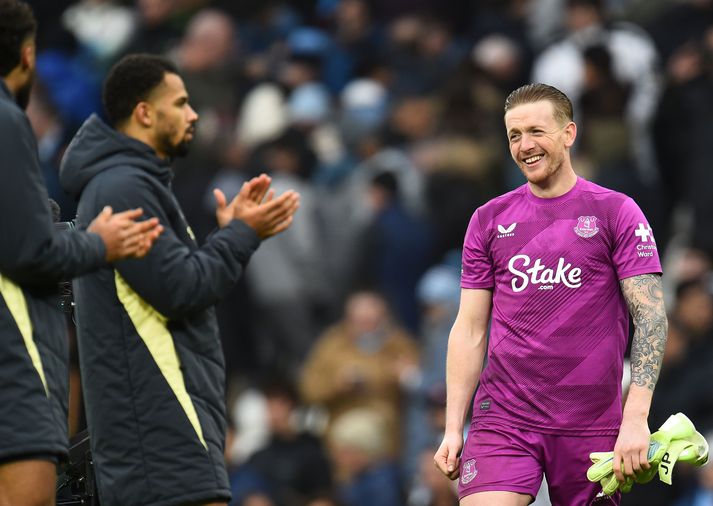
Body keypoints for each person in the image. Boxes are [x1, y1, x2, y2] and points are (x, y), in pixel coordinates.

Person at [59, 53, 300, 506]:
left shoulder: (135, 184)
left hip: (164, 425)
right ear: (145, 113)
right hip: (160, 429)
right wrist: (243, 235)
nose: (194, 115)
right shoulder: (122, 188)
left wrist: (231, 234)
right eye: (182, 103)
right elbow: (184, 289)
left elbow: (175, 282)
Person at [433, 83, 667, 505]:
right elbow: (469, 329)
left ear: (569, 133)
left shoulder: (616, 212)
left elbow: (650, 317)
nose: (525, 146)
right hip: (504, 418)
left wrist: (635, 418)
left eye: (537, 131)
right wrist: (454, 426)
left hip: (591, 423)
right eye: (514, 136)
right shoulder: (488, 220)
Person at [0, 2, 163, 505]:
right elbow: (30, 250)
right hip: (14, 350)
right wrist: (101, 241)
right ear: (27, 56)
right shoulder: (6, 120)